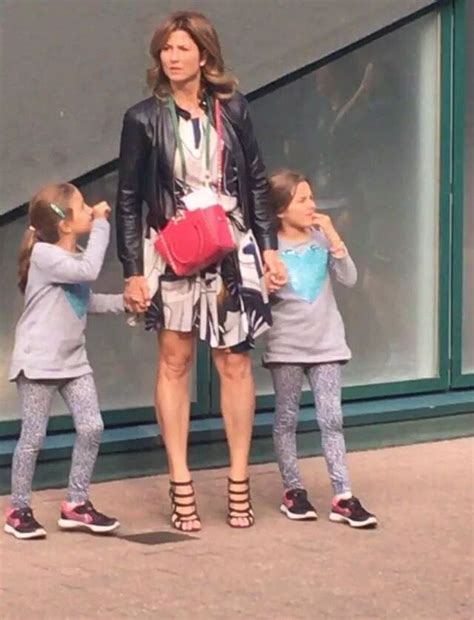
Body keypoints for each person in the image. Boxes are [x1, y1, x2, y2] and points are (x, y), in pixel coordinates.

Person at [116, 11, 286, 531]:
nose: (172, 57)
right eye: (166, 49)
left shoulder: (233, 108)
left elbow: (255, 179)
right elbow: (128, 198)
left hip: (231, 244)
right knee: (174, 360)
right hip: (172, 246)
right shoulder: (143, 118)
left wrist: (270, 247)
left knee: (235, 362)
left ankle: (239, 480)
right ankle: (180, 480)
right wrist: (131, 270)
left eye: (182, 48)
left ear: (204, 55)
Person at [4, 183, 123, 539]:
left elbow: (85, 301)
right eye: (83, 207)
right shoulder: (44, 255)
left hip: (73, 362)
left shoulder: (75, 258)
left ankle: (76, 503)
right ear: (65, 224)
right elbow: (88, 272)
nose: (91, 209)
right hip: (38, 363)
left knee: (92, 427)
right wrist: (102, 223)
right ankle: (18, 510)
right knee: (33, 437)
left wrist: (127, 303)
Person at [263, 169, 377, 528]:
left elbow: (349, 278)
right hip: (287, 347)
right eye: (302, 199)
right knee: (286, 420)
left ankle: (343, 495)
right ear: (281, 210)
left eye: (311, 197)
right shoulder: (269, 248)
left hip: (327, 345)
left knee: (332, 419)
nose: (312, 205)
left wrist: (334, 237)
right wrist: (267, 282)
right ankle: (293, 491)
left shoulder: (321, 239)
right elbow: (257, 296)